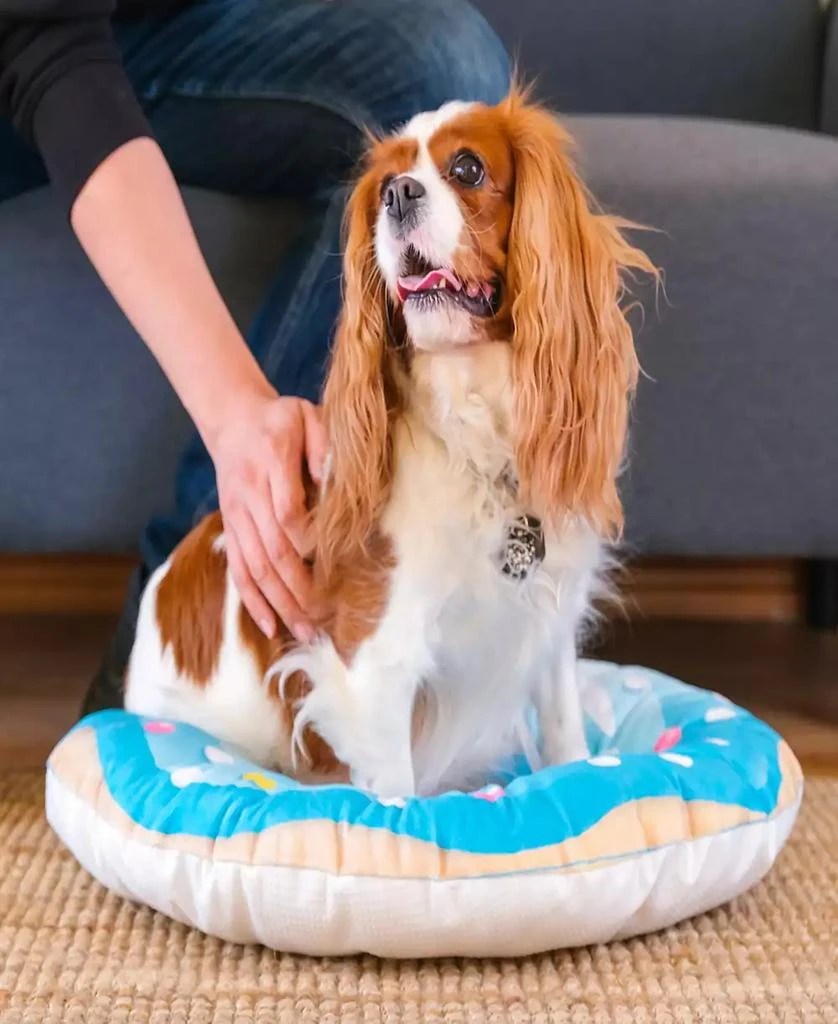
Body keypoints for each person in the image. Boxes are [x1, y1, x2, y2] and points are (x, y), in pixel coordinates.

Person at [0, 0, 510, 714]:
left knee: (445, 66)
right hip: (35, 40)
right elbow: (44, 44)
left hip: (161, 27)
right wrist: (236, 414)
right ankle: (171, 636)